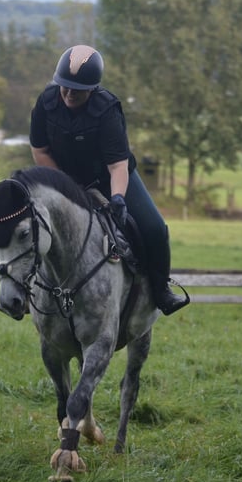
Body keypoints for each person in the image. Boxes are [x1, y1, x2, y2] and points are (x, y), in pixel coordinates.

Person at [29, 44, 189, 316]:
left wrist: (117, 198)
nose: (68, 93)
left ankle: (161, 290)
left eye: (76, 90)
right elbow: (40, 151)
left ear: (91, 89)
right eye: (64, 86)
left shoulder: (107, 110)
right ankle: (23, 290)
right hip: (63, 178)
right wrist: (63, 186)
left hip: (109, 177)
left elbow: (117, 165)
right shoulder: (46, 101)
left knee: (155, 228)